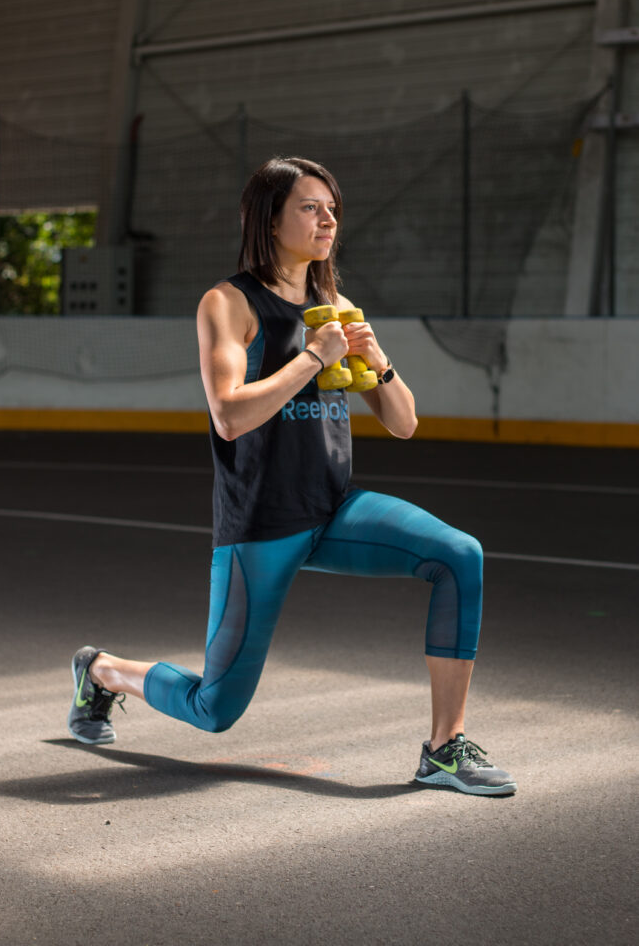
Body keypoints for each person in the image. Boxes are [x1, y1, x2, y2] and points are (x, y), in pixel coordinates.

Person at [67, 156, 516, 796]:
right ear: (270, 219)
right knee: (215, 709)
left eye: (331, 206)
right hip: (261, 525)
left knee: (458, 555)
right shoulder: (228, 304)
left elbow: (405, 422)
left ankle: (444, 749)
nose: (328, 217)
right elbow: (228, 414)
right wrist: (313, 356)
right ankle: (103, 671)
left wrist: (377, 359)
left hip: (334, 510)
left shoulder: (335, 305)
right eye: (310, 206)